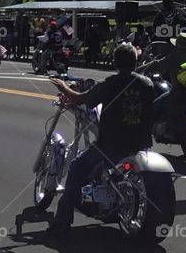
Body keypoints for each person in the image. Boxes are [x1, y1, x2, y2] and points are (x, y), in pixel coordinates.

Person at [48, 43, 155, 235]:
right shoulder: (147, 84)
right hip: (140, 145)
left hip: (111, 145)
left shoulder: (110, 84)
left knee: (77, 167)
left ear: (115, 62)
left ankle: (62, 222)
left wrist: (63, 87)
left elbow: (82, 100)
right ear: (135, 61)